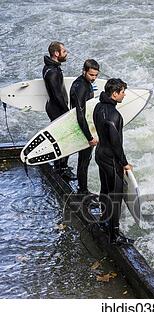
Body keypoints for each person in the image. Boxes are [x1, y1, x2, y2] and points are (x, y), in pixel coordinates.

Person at [93, 78, 133, 245]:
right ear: (115, 94)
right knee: (116, 196)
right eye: (122, 92)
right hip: (111, 159)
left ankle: (103, 221)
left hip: (100, 154)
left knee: (105, 190)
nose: (124, 94)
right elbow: (116, 144)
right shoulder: (115, 115)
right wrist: (124, 163)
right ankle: (114, 235)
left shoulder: (98, 106)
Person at [42, 41, 76, 180]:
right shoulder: (52, 72)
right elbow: (57, 95)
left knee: (61, 138)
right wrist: (68, 112)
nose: (66, 53)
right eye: (64, 51)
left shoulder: (50, 67)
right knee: (64, 140)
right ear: (56, 53)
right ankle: (61, 169)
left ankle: (61, 166)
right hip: (57, 109)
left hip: (54, 107)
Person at [69, 59, 100, 196]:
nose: (93, 78)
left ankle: (83, 189)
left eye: (95, 75)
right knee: (84, 161)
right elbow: (80, 114)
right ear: (84, 71)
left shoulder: (82, 82)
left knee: (84, 160)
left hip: (83, 125)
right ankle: (83, 191)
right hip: (82, 127)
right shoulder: (81, 87)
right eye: (91, 75)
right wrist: (89, 137)